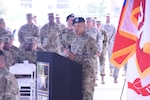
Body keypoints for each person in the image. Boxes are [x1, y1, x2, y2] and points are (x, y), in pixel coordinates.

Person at [68, 17, 98, 100]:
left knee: (86, 96)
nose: (76, 28)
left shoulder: (90, 40)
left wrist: (75, 57)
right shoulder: (74, 40)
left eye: (79, 26)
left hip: (87, 75)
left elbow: (91, 59)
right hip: (76, 74)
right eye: (75, 26)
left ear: (84, 26)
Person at [101, 13, 118, 83]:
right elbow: (101, 33)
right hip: (104, 43)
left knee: (111, 57)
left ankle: (111, 69)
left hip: (111, 43)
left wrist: (110, 40)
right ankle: (103, 73)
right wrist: (105, 41)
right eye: (107, 17)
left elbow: (115, 33)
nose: (108, 18)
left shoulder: (113, 26)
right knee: (103, 58)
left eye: (109, 17)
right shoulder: (103, 26)